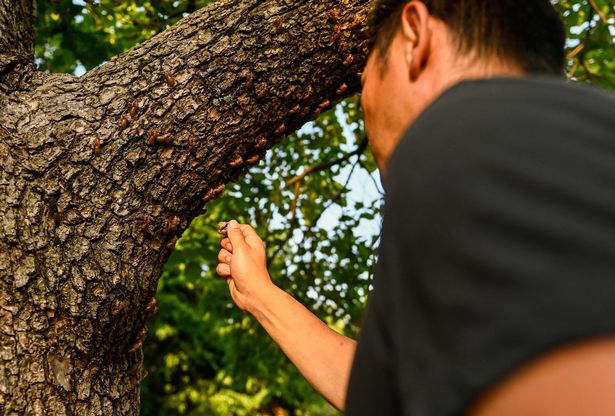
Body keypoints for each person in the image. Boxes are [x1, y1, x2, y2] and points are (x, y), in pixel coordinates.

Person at [217, 0, 615, 414]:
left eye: (366, 76)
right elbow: (397, 394)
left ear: (416, 36)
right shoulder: (559, 153)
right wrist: (260, 293)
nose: (365, 104)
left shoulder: (460, 125)